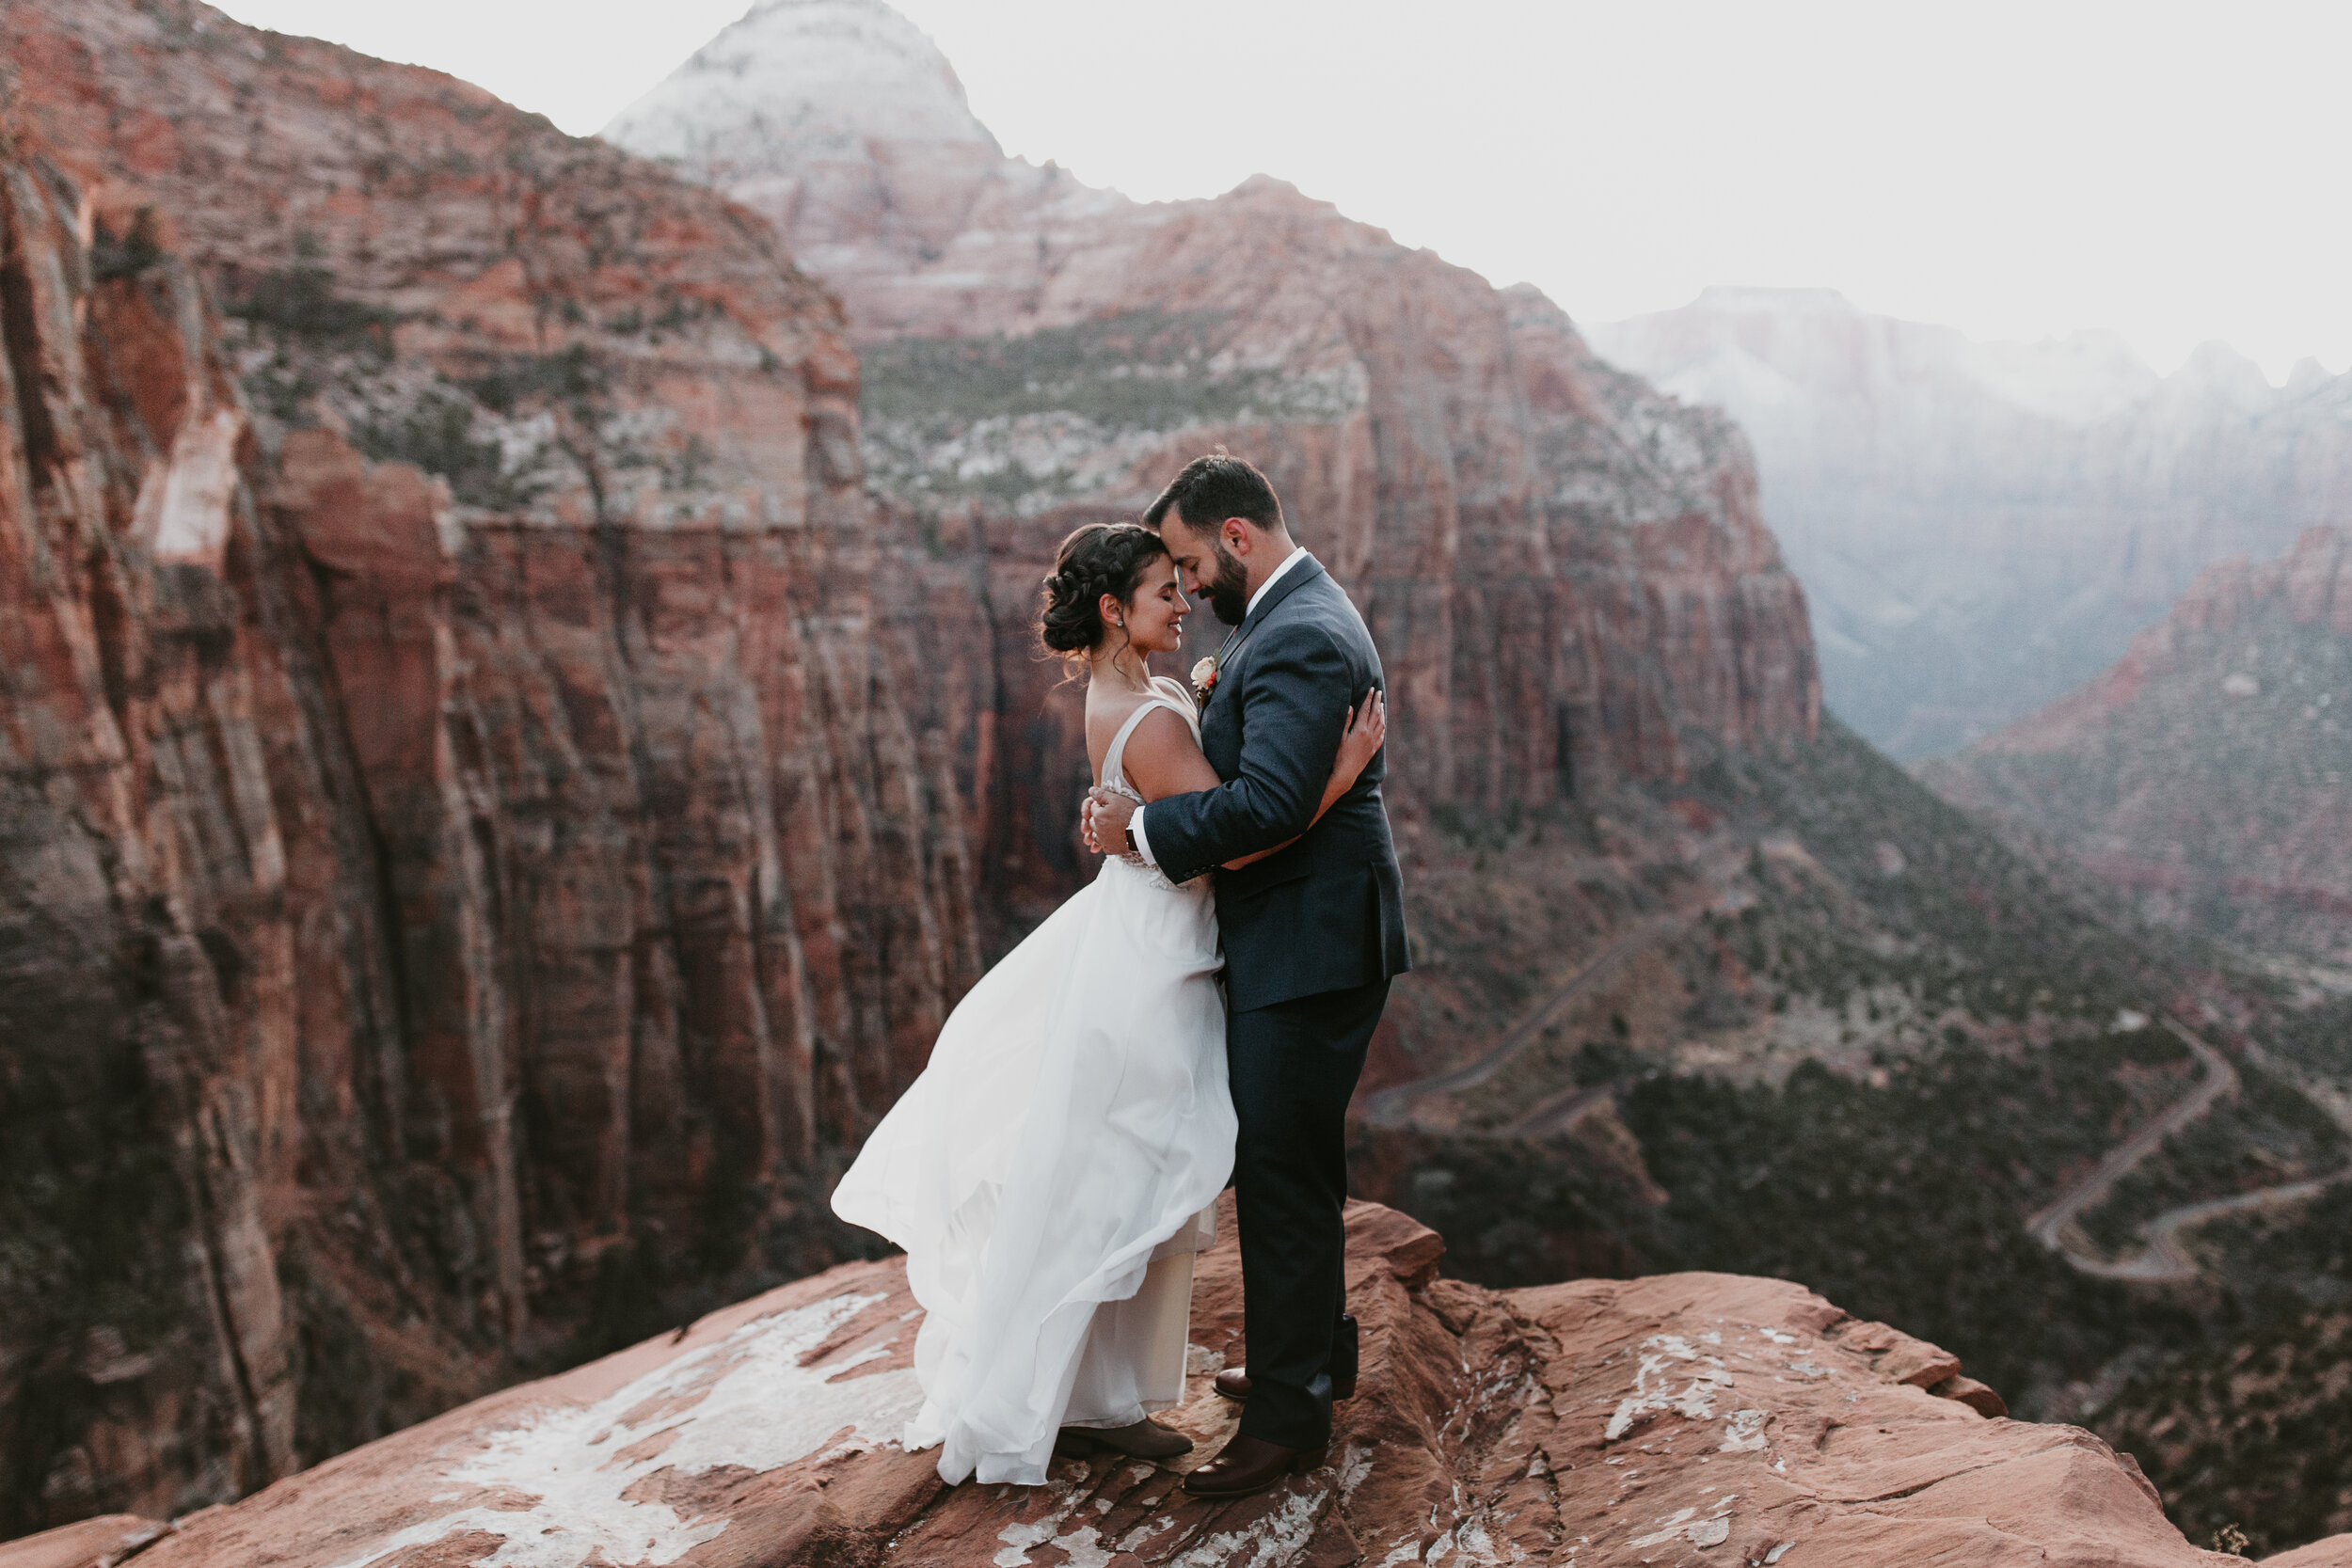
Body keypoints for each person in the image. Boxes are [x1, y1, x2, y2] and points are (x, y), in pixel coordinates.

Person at [831, 517, 1385, 1487]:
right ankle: (1071, 1397)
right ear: (1112, 610)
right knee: (1122, 1179)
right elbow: (1241, 840)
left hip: (1149, 937)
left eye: (1182, 583)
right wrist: (1335, 777)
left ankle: (1101, 1396)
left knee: (1125, 1176)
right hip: (1155, 963)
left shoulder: (1139, 689)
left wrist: (1133, 824)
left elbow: (1167, 813)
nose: (1185, 603)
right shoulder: (1154, 715)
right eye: (1164, 591)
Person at [1082, 451, 1411, 1498]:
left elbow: (1267, 806)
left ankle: (1287, 1416)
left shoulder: (1299, 635)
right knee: (1293, 1157)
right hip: (1303, 934)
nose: (1184, 588)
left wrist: (1135, 826)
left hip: (1309, 944)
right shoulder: (1284, 617)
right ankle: (1315, 1354)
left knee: (1277, 1170)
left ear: (1235, 537)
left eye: (1187, 562)